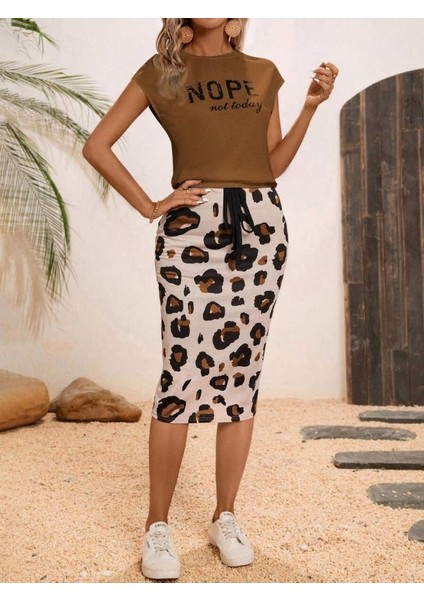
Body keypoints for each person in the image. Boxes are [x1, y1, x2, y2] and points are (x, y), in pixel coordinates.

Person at [82, 18, 338, 580]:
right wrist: (153, 205)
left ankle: (225, 516)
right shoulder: (163, 73)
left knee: (242, 372)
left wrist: (309, 108)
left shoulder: (262, 73)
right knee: (181, 372)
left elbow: (269, 166)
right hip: (191, 234)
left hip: (261, 229)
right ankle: (157, 525)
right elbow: (96, 145)